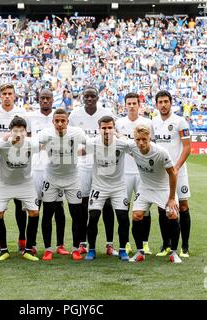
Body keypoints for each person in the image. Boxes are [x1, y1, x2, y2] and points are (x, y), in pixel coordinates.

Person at [68, 86, 117, 256]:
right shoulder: (74, 116)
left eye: (92, 96)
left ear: (97, 98)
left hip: (103, 164)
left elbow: (113, 136)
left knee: (107, 204)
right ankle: (83, 242)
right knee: (83, 204)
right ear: (82, 98)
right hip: (82, 166)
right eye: (86, 96)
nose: (89, 99)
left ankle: (110, 244)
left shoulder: (107, 113)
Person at [128, 125, 182, 264]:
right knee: (136, 215)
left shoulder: (161, 152)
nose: (140, 143)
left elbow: (173, 174)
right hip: (145, 187)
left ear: (149, 138)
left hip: (163, 188)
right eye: (138, 140)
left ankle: (174, 252)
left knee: (172, 214)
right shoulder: (133, 147)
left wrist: (171, 198)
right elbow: (119, 140)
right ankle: (140, 252)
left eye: (144, 140)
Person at [38, 109, 86, 261]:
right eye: (56, 121)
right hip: (51, 179)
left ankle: (76, 249)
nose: (59, 124)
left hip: (72, 179)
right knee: (47, 214)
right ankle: (48, 249)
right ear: (53, 122)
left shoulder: (77, 133)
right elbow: (30, 144)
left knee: (76, 214)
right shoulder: (45, 134)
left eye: (62, 121)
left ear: (67, 122)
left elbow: (92, 143)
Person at [25, 88, 69, 255]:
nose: (45, 101)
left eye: (48, 98)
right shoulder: (31, 118)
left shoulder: (58, 118)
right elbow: (29, 142)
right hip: (36, 169)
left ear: (52, 100)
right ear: (38, 99)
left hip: (55, 169)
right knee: (35, 207)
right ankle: (33, 243)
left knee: (58, 207)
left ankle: (60, 245)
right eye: (42, 98)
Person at [0, 116, 40, 262]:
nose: (18, 133)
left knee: (34, 212)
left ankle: (28, 249)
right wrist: (6, 139)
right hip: (5, 184)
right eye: (15, 130)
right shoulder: (4, 144)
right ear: (10, 131)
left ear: (26, 132)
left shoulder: (30, 143)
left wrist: (27, 138)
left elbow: (38, 143)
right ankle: (4, 251)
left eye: (22, 130)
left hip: (25, 184)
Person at [0, 83, 28, 253]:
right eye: (4, 93)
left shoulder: (22, 113)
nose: (7, 96)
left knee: (20, 202)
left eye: (10, 93)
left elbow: (28, 136)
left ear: (14, 95)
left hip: (18, 163)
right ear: (0, 95)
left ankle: (22, 239)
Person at [151, 90, 192, 258]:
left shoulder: (180, 121)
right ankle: (166, 245)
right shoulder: (153, 122)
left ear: (171, 102)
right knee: (162, 208)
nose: (163, 105)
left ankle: (185, 246)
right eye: (160, 102)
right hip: (161, 173)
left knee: (182, 206)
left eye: (166, 101)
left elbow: (188, 147)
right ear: (156, 104)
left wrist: (176, 166)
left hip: (178, 172)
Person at [84, 116, 130, 261]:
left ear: (114, 129)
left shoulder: (122, 144)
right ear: (99, 129)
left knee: (123, 217)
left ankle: (122, 249)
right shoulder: (92, 143)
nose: (107, 131)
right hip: (99, 186)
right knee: (93, 217)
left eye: (110, 127)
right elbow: (79, 150)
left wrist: (120, 135)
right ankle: (91, 249)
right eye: (104, 128)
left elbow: (135, 146)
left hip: (118, 187)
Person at [116, 92, 153, 255]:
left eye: (134, 103)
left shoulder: (147, 123)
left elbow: (151, 146)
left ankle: (144, 243)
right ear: (125, 105)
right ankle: (125, 243)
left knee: (144, 210)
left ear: (139, 105)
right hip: (124, 172)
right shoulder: (119, 123)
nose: (131, 106)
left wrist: (127, 141)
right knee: (123, 209)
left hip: (143, 173)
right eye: (129, 103)